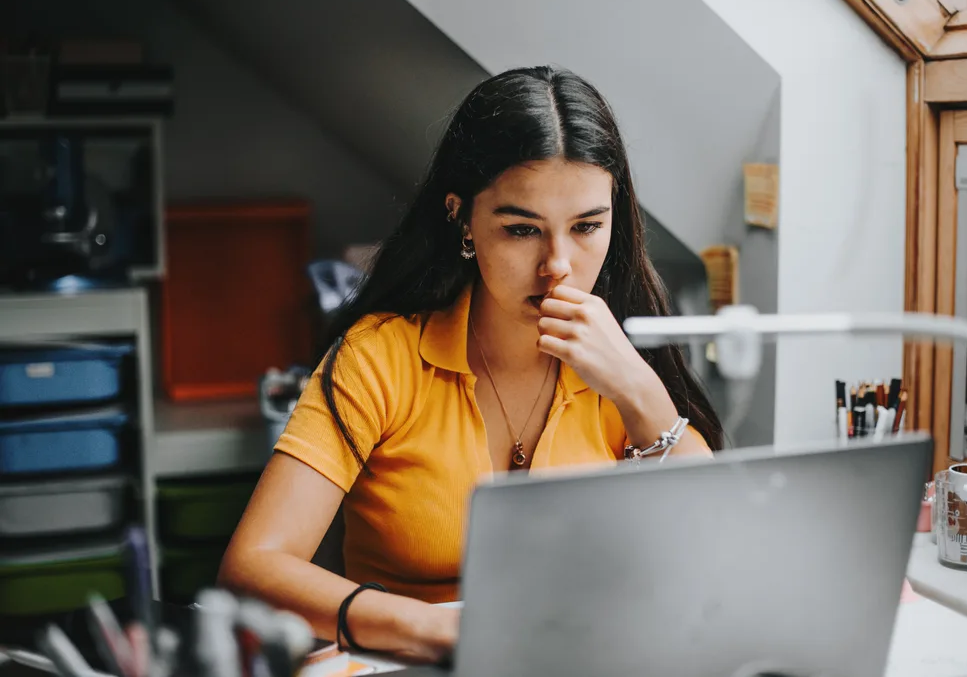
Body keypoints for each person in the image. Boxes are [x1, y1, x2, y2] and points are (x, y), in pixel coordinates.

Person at [217, 65, 723, 664]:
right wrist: (440, 634)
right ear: (462, 218)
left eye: (587, 226)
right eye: (520, 230)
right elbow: (251, 567)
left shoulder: (618, 365)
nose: (557, 264)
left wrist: (640, 392)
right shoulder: (381, 356)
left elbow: (711, 559)